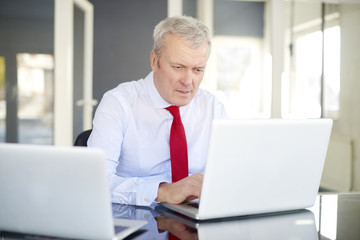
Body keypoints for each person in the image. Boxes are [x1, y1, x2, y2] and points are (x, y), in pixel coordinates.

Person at [88, 16, 228, 207]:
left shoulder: (213, 107)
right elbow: (95, 182)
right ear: (155, 61)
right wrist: (163, 191)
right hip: (135, 218)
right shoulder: (118, 103)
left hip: (195, 219)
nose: (188, 81)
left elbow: (228, 176)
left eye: (197, 70)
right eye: (178, 67)